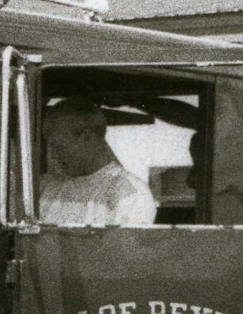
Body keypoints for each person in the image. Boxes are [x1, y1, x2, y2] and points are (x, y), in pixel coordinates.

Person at [38, 97, 156, 227]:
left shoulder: (129, 193)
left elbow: (126, 246)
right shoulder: (45, 188)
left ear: (86, 138)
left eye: (59, 147)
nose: (53, 156)